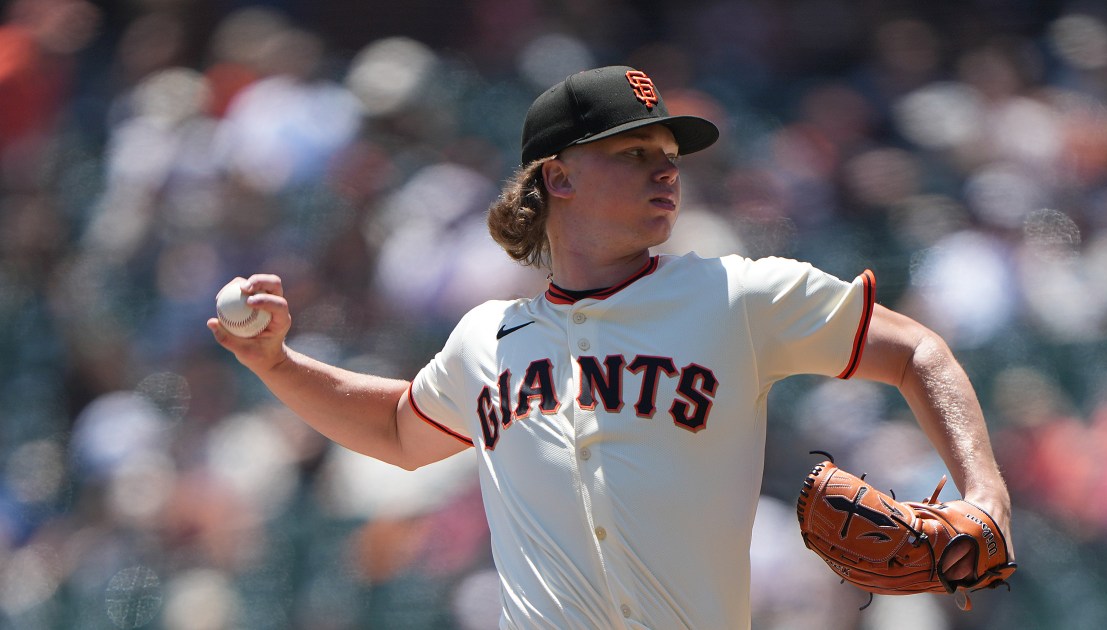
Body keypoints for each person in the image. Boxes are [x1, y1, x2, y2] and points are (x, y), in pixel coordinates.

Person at [208, 65, 1014, 629]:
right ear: (557, 177)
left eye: (669, 158)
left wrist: (984, 493)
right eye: (634, 155)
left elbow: (915, 352)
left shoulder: (735, 293)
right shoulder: (485, 339)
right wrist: (276, 365)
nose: (665, 172)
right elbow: (394, 430)